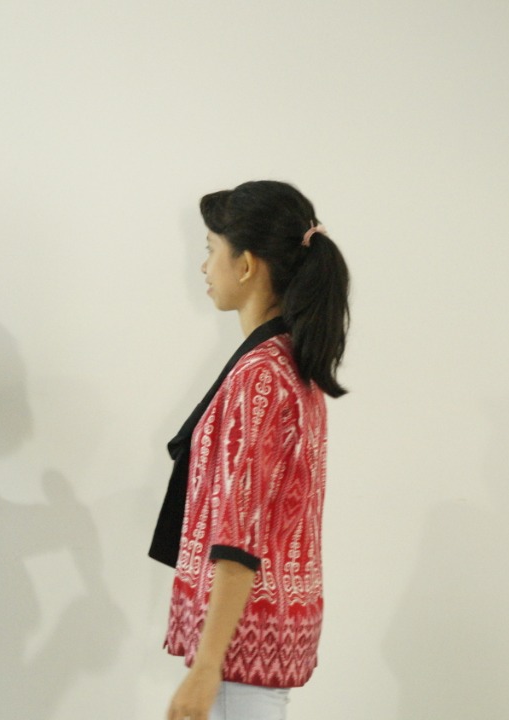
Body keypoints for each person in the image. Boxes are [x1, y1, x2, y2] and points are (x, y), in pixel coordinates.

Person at [149, 181, 350, 720]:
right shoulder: (291, 364)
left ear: (245, 265)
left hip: (240, 647)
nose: (203, 267)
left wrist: (206, 665)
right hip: (264, 633)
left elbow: (240, 534)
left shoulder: (260, 376)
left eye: (211, 249)